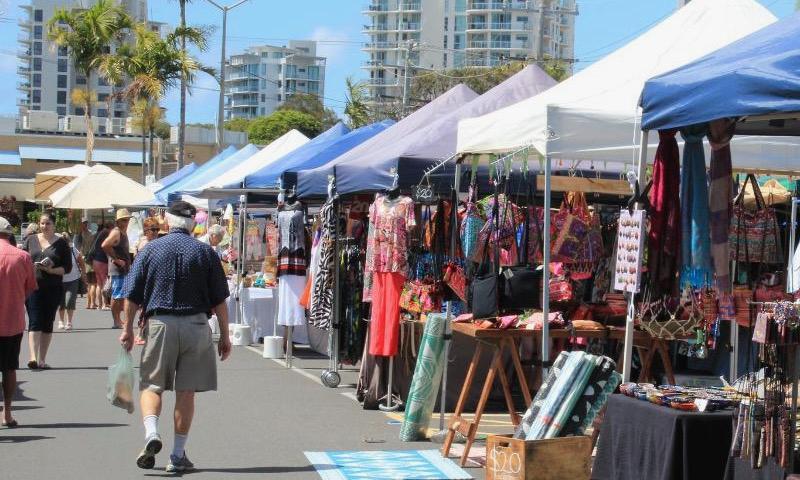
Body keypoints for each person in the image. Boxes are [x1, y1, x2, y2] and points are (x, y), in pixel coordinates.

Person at [120, 201, 231, 472]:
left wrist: (127, 329)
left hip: (160, 324)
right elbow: (220, 301)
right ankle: (177, 454)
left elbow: (131, 295)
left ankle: (151, 432)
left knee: (152, 385)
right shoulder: (206, 253)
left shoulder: (149, 251)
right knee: (186, 391)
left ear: (167, 222)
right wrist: (225, 336)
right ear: (193, 223)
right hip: (195, 325)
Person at [22, 212, 72, 370]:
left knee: (47, 321)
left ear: (54, 224)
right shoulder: (30, 239)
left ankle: (42, 359)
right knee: (35, 320)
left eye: (48, 223)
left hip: (53, 287)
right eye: (42, 223)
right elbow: (22, 259)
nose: (44, 226)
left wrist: (51, 270)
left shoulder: (62, 243)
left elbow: (67, 268)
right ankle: (32, 357)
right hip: (33, 287)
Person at [0, 217, 37, 427]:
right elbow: (30, 287)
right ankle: (7, 412)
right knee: (9, 368)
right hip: (12, 321)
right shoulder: (22, 257)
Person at [102, 210, 132, 329]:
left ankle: (118, 320)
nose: (127, 222)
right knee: (117, 295)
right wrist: (116, 259)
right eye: (124, 220)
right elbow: (105, 245)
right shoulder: (116, 232)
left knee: (121, 295)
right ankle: (116, 321)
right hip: (118, 270)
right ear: (118, 221)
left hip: (122, 269)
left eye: (128, 219)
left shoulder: (122, 232)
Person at [132, 218, 159, 345]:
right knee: (145, 307)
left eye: (157, 229)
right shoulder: (144, 244)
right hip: (146, 280)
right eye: (153, 229)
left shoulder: (155, 243)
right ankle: (141, 333)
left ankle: (142, 332)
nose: (155, 232)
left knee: (147, 307)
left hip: (152, 279)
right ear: (146, 231)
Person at [57, 232, 85, 331]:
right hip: (59, 279)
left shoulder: (73, 249)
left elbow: (81, 261)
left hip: (73, 279)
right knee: (61, 302)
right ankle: (60, 321)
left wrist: (83, 274)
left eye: (66, 241)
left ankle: (69, 321)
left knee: (70, 301)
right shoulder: (56, 251)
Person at [91, 223, 112, 310]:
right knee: (104, 282)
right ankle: (104, 304)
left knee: (99, 283)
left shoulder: (97, 235)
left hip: (95, 260)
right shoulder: (106, 234)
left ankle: (99, 304)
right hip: (102, 261)